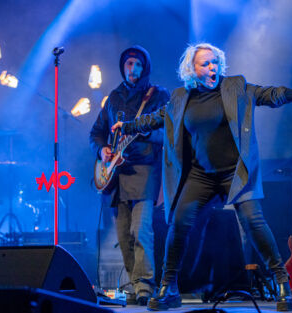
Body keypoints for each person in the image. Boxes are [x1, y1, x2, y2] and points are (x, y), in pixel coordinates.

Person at [112, 43, 292, 311]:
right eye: (205, 64)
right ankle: (168, 287)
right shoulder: (179, 98)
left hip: (235, 174)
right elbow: (154, 120)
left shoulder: (236, 87)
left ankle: (281, 281)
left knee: (254, 222)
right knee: (179, 223)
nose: (212, 68)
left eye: (214, 63)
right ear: (192, 69)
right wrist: (126, 127)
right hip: (200, 176)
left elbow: (274, 95)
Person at [90, 45, 170, 305]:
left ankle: (145, 284)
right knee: (124, 234)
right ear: (123, 66)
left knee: (141, 229)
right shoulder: (113, 97)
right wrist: (102, 150)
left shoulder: (157, 95)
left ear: (144, 67)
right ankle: (134, 285)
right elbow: (96, 133)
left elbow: (168, 132)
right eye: (129, 64)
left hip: (145, 169)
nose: (133, 69)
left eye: (137, 64)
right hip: (116, 174)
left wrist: (146, 131)